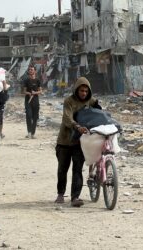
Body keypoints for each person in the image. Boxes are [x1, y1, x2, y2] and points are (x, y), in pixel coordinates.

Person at [55, 77, 98, 207]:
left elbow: (99, 114)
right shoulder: (69, 101)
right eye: (81, 90)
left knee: (77, 169)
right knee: (63, 169)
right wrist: (77, 126)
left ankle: (75, 197)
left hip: (79, 142)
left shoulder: (92, 101)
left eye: (86, 91)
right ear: (76, 90)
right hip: (65, 140)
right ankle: (60, 193)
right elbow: (67, 118)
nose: (83, 93)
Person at [23, 65, 42, 139]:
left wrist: (35, 93)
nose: (30, 70)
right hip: (28, 101)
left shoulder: (37, 80)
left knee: (35, 117)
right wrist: (29, 93)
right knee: (29, 116)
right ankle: (29, 132)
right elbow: (24, 91)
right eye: (29, 70)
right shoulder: (26, 80)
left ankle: (33, 133)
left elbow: (40, 91)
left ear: (35, 71)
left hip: (36, 101)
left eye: (32, 69)